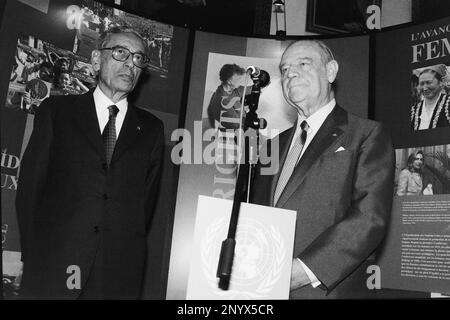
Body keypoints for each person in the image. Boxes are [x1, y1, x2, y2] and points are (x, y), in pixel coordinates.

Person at [16, 26, 165, 299]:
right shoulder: (57, 112)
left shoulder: (152, 130)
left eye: (138, 58)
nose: (130, 64)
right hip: (53, 265)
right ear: (96, 60)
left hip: (116, 274)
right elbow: (30, 189)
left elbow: (144, 206)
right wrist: (33, 256)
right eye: (120, 53)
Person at [251, 40, 395, 299]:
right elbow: (258, 213)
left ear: (331, 71)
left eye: (303, 64)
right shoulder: (271, 146)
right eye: (284, 69)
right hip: (264, 291)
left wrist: (302, 271)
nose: (290, 73)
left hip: (326, 291)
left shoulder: (366, 134)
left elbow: (369, 217)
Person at [206, 63, 249, 130]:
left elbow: (250, 89)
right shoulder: (223, 101)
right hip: (235, 134)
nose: (241, 81)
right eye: (238, 79)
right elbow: (236, 125)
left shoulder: (233, 88)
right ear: (229, 81)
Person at [411, 64, 450, 130]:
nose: (425, 88)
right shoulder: (414, 109)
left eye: (429, 82)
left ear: (440, 82)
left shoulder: (448, 104)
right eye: (421, 83)